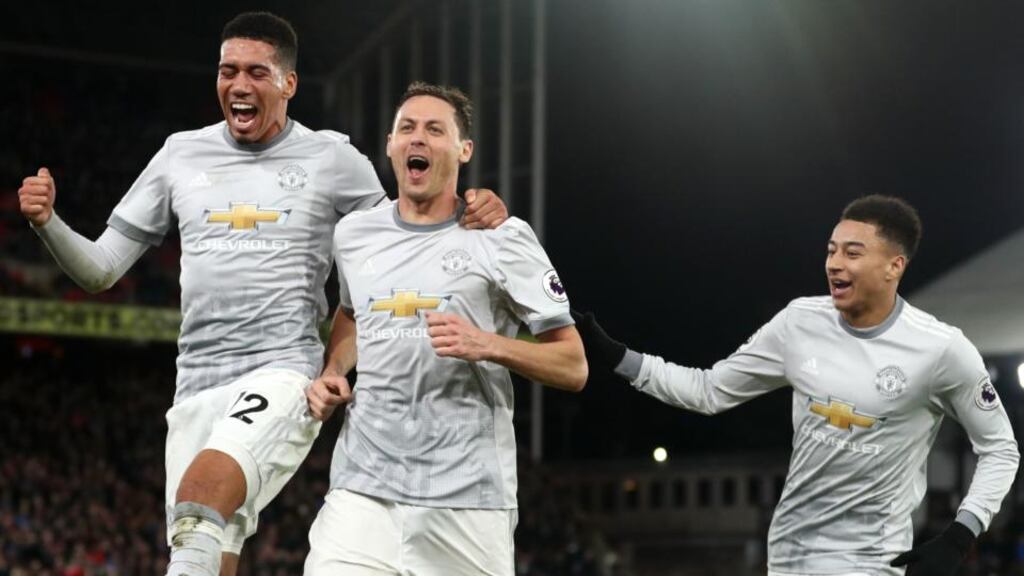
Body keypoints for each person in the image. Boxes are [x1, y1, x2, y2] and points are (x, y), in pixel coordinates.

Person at [16, 13, 507, 576]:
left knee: (201, 494)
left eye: (256, 72)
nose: (239, 86)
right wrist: (48, 222)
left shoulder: (332, 159)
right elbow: (101, 270)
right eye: (228, 72)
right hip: (195, 384)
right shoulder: (180, 155)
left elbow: (398, 240)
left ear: (289, 84)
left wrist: (471, 206)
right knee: (202, 548)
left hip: (282, 373)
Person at [574, 195, 1019, 576]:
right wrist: (618, 357)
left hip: (870, 560)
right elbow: (708, 390)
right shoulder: (800, 322)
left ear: (894, 266)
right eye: (831, 250)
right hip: (787, 557)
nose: (834, 264)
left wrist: (961, 534)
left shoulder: (941, 348)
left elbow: (1000, 448)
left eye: (852, 252)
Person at [303, 82, 587, 575]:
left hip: (467, 501)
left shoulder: (502, 238)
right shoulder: (354, 235)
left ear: (464, 149)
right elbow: (351, 312)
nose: (419, 139)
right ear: (390, 145)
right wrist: (334, 368)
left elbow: (573, 365)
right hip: (362, 490)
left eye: (436, 130)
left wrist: (489, 344)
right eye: (407, 129)